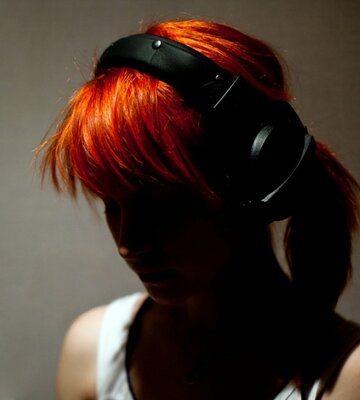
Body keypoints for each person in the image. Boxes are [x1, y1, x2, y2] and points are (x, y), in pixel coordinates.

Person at [36, 19, 360, 400]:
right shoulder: (91, 353)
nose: (127, 243)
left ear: (259, 175)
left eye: (162, 205)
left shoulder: (348, 378)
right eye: (111, 205)